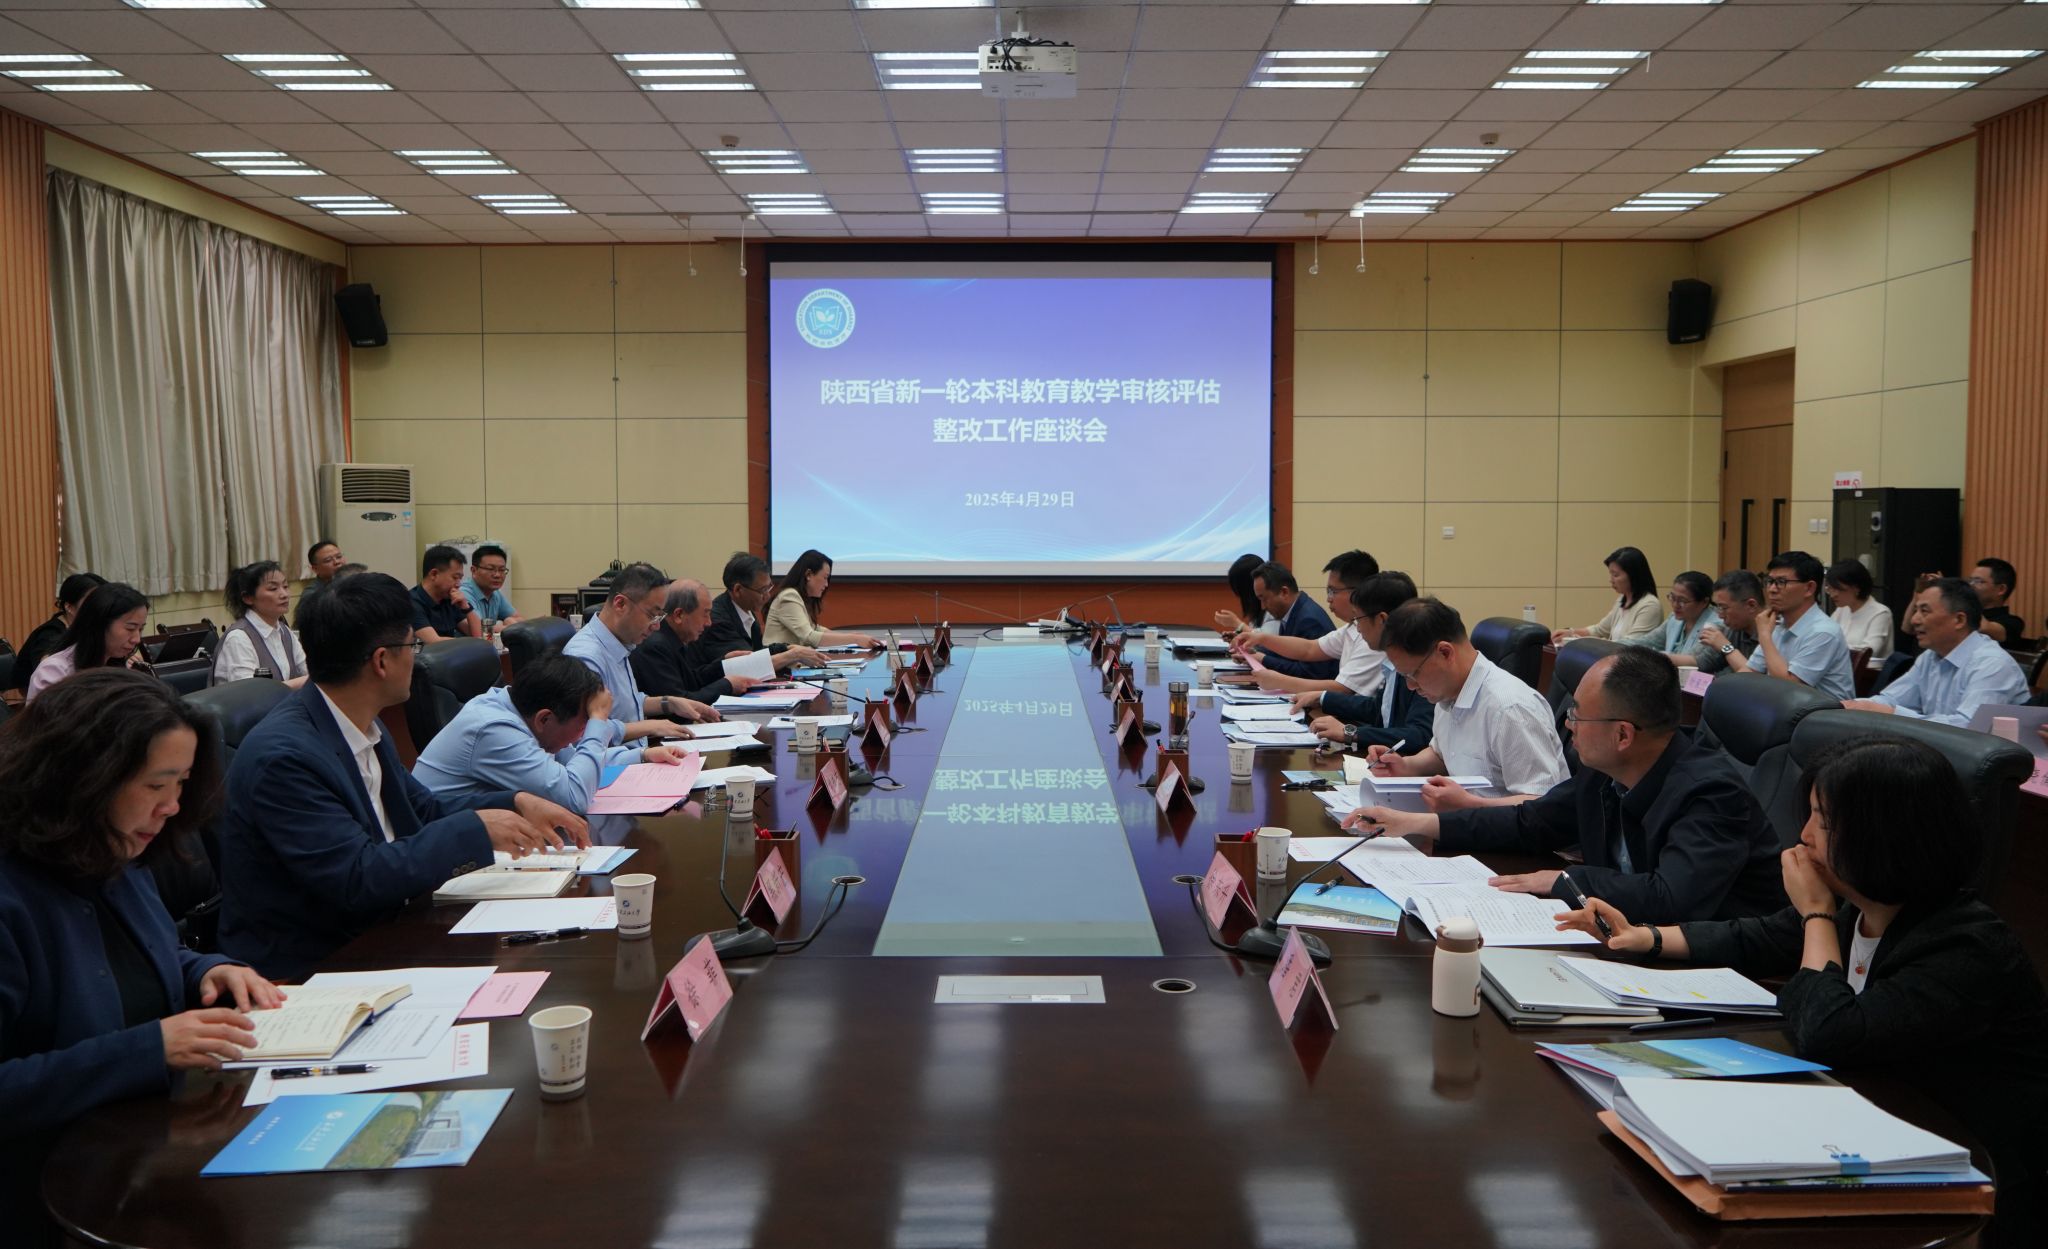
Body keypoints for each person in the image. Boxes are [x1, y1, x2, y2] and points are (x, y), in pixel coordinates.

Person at [1557, 737, 2048, 1243]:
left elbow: (1830, 1031)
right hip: (1870, 1124)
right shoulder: (1864, 905)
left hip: (1973, 1184)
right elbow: (1758, 937)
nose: (1805, 835)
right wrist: (1646, 937)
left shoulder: (1965, 946)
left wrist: (1816, 913)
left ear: (1885, 836)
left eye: (1825, 821)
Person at [0, 670, 284, 1245]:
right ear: (83, 779)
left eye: (181, 784)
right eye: (156, 786)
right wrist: (147, 1050)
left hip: (140, 1152)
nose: (172, 807)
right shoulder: (13, 893)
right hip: (45, 1195)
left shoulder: (114, 848)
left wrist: (208, 969)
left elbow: (133, 957)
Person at [217, 573, 587, 980]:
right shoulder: (285, 757)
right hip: (314, 966)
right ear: (382, 661)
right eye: (413, 645)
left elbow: (421, 808)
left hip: (383, 928)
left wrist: (515, 802)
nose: (416, 657)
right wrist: (475, 829)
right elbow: (356, 878)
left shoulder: (360, 723)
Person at [1348, 649, 1784, 923]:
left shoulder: (1710, 792)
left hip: (1726, 974)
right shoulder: (1603, 772)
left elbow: (1672, 897)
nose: (1568, 725)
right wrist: (1415, 823)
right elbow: (1530, 822)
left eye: (1577, 715)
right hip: (1624, 932)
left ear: (1623, 734)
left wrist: (1567, 880)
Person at [1358, 597, 1569, 808]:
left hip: (1501, 827)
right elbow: (1443, 755)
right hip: (1465, 822)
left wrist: (1469, 804)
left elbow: (1541, 803)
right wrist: (1406, 766)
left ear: (1445, 652)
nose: (1410, 686)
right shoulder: (1447, 692)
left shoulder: (1510, 709)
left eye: (1413, 674)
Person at [413, 650, 685, 811]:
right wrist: (598, 721)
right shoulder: (494, 730)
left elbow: (571, 761)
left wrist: (641, 756)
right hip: (443, 858)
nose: (582, 735)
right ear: (545, 719)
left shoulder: (523, 712)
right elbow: (574, 797)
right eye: (583, 726)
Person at [564, 561, 714, 747]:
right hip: (616, 762)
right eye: (652, 615)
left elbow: (624, 705)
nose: (656, 626)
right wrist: (650, 727)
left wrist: (669, 703)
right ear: (620, 604)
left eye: (659, 617)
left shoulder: (619, 642)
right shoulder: (585, 657)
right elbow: (585, 735)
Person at [1843, 578, 2030, 727]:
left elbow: (1969, 727)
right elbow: (1891, 699)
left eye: (1924, 611)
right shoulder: (1930, 656)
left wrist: (1892, 713)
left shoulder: (1992, 664)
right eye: (1916, 610)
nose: (1914, 620)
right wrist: (1852, 706)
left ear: (1959, 620)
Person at [1300, 571, 1433, 755]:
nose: (1358, 628)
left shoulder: (1419, 664)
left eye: (1358, 619)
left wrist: (1351, 733)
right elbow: (1380, 709)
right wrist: (1324, 697)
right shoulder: (1393, 661)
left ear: (1382, 620)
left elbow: (1420, 735)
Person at [1234, 551, 1384, 698]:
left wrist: (1279, 681)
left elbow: (1342, 689)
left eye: (1333, 591)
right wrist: (1261, 639)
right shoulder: (1352, 627)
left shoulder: (1372, 634)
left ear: (1357, 592)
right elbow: (1310, 649)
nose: (1329, 599)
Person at [631, 579, 763, 704]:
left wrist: (723, 663)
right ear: (679, 615)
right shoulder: (655, 647)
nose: (709, 623)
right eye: (705, 614)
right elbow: (679, 704)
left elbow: (692, 681)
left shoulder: (673, 638)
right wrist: (728, 685)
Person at [694, 553, 826, 675]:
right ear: (738, 589)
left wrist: (788, 648)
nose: (767, 596)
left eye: (769, 587)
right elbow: (747, 665)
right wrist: (794, 655)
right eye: (762, 590)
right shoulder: (719, 620)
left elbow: (757, 651)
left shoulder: (746, 609)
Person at [1752, 550, 1855, 701]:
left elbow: (1789, 688)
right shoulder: (1777, 626)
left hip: (1823, 713)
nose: (1772, 589)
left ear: (1809, 588)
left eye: (1781, 582)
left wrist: (1764, 636)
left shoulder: (1824, 632)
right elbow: (1749, 671)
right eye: (1769, 581)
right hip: (1785, 708)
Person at [25, 582, 151, 703]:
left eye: (140, 629)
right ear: (99, 625)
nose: (137, 639)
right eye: (130, 628)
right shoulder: (55, 672)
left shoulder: (120, 667)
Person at [1216, 561, 1338, 680]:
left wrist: (1263, 659)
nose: (1263, 607)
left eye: (1264, 599)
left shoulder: (1309, 620)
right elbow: (1285, 655)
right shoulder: (1292, 612)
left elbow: (1311, 674)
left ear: (1284, 592)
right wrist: (1251, 653)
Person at [211, 561, 307, 687]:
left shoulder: (285, 631)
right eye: (273, 588)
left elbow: (307, 670)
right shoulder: (238, 638)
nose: (284, 594)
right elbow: (250, 692)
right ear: (248, 598)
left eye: (285, 586)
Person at [763, 550, 883, 651]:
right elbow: (809, 636)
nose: (826, 585)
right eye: (825, 578)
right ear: (808, 574)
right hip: (780, 667)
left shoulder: (800, 596)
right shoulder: (789, 596)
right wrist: (854, 639)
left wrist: (850, 636)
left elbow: (816, 629)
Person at [11, 572, 104, 695]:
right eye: (90, 602)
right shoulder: (49, 635)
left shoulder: (87, 629)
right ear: (69, 607)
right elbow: (50, 679)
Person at [1553, 546, 1665, 646]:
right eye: (1610, 574)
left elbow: (1631, 644)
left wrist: (1586, 642)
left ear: (1633, 575)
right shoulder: (1622, 600)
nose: (1611, 580)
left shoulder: (1650, 605)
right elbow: (1599, 630)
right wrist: (1570, 633)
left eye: (1615, 575)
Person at [1686, 570, 1765, 674]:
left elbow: (1755, 677)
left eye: (1724, 608)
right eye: (1718, 607)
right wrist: (1665, 658)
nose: (1720, 615)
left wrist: (1726, 647)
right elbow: (1702, 662)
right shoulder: (1733, 629)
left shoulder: (1773, 634)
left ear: (1751, 605)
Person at [411, 544, 482, 643]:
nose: (458, 584)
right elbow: (434, 642)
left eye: (460, 578)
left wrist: (467, 608)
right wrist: (471, 642)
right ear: (434, 574)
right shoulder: (412, 602)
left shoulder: (448, 599)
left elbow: (478, 635)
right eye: (455, 577)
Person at [1825, 558, 1894, 659]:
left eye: (1838, 589)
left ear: (1856, 588)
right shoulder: (1842, 609)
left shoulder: (1880, 613)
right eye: (1830, 589)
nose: (1832, 595)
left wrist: (1833, 648)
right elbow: (1826, 637)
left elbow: (1869, 652)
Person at [1656, 570, 1720, 665]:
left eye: (1682, 601)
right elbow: (1648, 641)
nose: (1675, 605)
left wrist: (1653, 656)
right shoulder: (1674, 618)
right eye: (1672, 598)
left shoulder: (1715, 625)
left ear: (1704, 602)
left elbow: (1694, 659)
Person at [459, 544, 522, 632]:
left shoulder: (495, 593)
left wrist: (508, 620)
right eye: (490, 569)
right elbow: (479, 630)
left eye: (502, 570)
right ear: (474, 570)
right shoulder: (463, 593)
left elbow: (519, 619)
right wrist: (509, 627)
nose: (497, 575)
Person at [1969, 557, 2029, 646]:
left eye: (1978, 581)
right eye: (1970, 580)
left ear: (2001, 589)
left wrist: (1961, 599)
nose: (1970, 585)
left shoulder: (2013, 623)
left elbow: (1982, 628)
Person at [1215, 553, 1275, 636]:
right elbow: (1256, 632)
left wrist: (1237, 623)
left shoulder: (1273, 606)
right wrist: (1239, 636)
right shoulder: (1257, 607)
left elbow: (1267, 639)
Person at [293, 539, 346, 629]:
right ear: (315, 569)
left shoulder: (353, 582)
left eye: (339, 557)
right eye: (328, 560)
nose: (337, 562)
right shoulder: (312, 594)